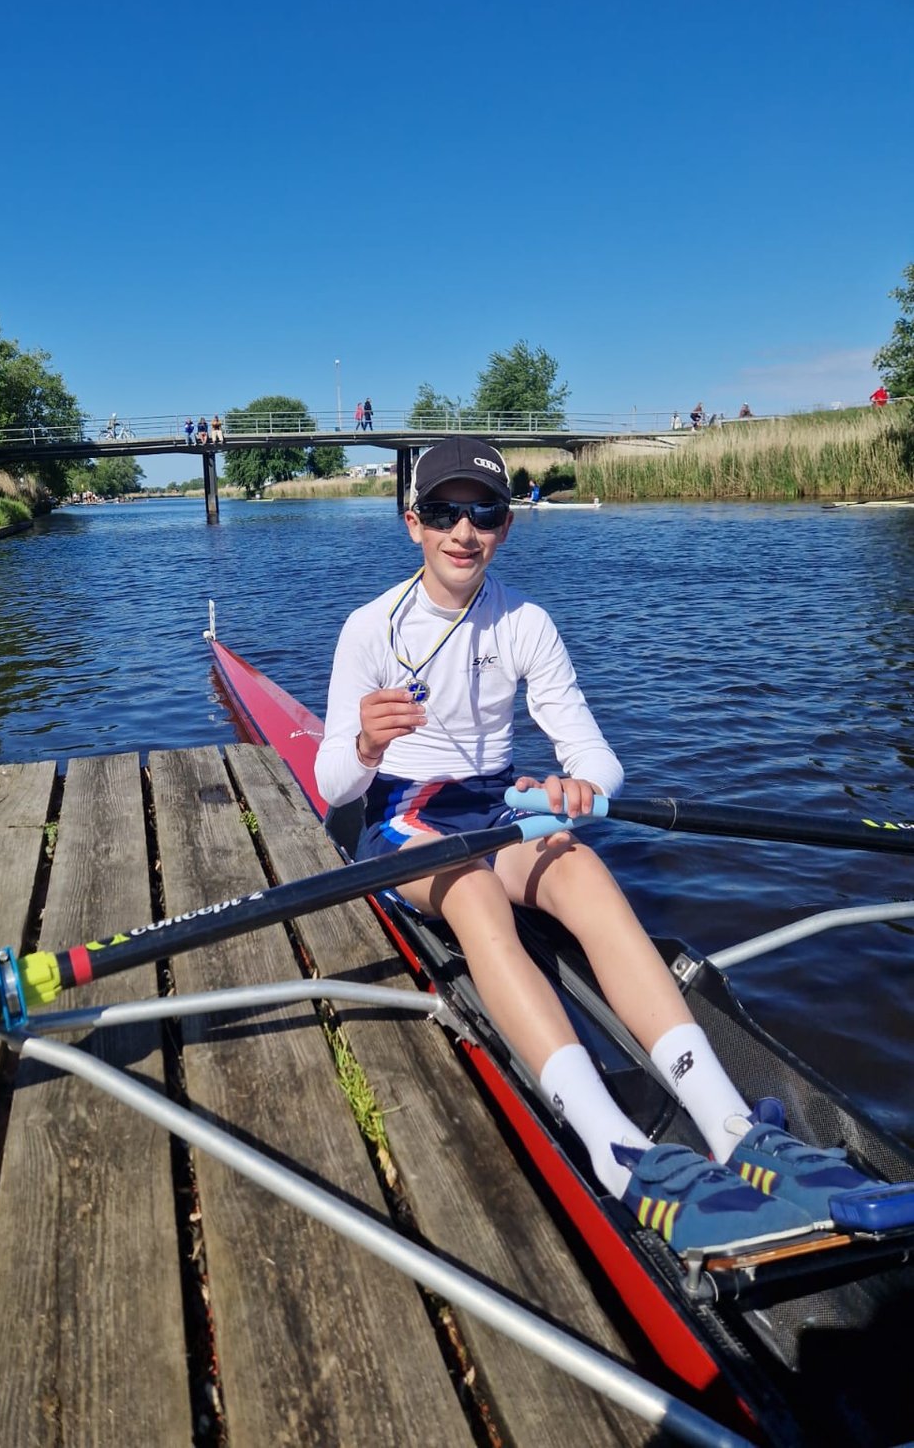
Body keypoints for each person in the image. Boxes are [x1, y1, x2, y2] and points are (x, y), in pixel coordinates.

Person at [315, 437, 884, 1254]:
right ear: (413, 524)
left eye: (483, 513)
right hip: (404, 814)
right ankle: (616, 1150)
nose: (463, 531)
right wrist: (367, 745)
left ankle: (731, 1128)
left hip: (497, 804)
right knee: (473, 894)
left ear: (505, 527)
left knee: (580, 868)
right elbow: (332, 787)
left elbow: (594, 755)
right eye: (443, 512)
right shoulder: (370, 628)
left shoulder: (526, 622)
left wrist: (573, 789)